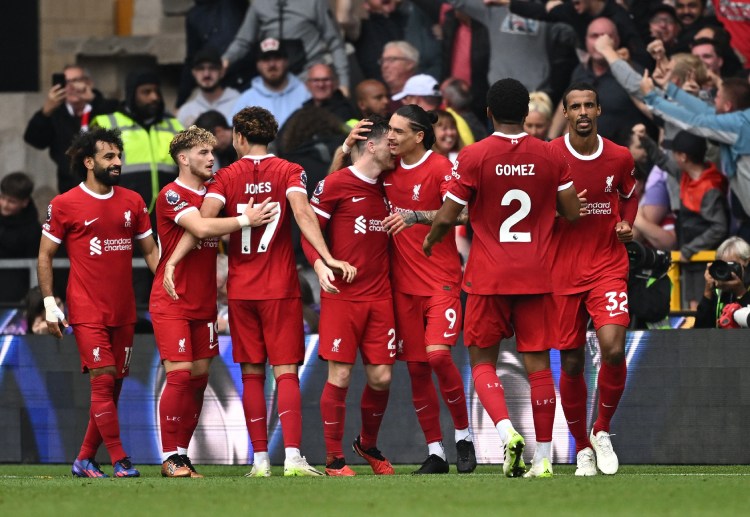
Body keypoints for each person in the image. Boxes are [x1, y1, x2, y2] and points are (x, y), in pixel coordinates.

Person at [163, 106, 355, 477]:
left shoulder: (225, 178)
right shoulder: (289, 171)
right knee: (285, 373)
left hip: (241, 290)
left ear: (237, 137)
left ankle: (261, 461)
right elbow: (302, 214)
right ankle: (295, 459)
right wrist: (326, 256)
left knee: (252, 374)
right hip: (280, 287)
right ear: (273, 135)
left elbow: (202, 222)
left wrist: (173, 259)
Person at [423, 78, 580, 478]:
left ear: (488, 113)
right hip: (537, 275)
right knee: (540, 367)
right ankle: (544, 458)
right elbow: (572, 212)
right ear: (527, 112)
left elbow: (448, 212)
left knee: (481, 362)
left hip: (488, 276)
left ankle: (507, 431)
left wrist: (432, 238)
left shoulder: (474, 156)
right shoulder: (549, 154)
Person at [348, 105, 472, 475]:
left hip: (441, 281)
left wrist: (417, 215)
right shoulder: (386, 169)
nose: (391, 137)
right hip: (402, 288)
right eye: (389, 131)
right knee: (417, 369)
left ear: (419, 136)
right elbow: (342, 184)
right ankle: (435, 452)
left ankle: (464, 438)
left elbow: (465, 213)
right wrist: (344, 150)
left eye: (398, 132)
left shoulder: (440, 169)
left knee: (437, 357)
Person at [151, 126, 277, 477]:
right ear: (183, 158)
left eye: (212, 152)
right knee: (178, 376)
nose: (211, 158)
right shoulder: (172, 195)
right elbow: (202, 228)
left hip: (204, 302)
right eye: (203, 153)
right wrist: (244, 219)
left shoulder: (214, 195)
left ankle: (181, 454)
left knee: (199, 379)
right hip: (172, 299)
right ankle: (168, 457)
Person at [37, 128, 160, 478]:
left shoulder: (133, 201)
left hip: (124, 310)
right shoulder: (63, 204)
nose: (117, 162)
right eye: (109, 156)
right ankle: (122, 459)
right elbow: (45, 255)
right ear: (89, 162)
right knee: (103, 382)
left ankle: (84, 459)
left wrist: (167, 281)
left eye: (119, 156)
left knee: (112, 388)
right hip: (87, 308)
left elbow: (150, 250)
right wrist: (49, 303)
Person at [549, 82, 638, 476]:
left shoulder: (619, 156)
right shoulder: (549, 155)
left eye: (589, 105)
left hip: (607, 265)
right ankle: (581, 446)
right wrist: (558, 211)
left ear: (599, 110)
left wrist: (626, 222)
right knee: (570, 363)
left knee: (613, 349)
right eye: (575, 106)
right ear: (565, 113)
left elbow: (630, 194)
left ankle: (601, 430)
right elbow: (533, 206)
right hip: (561, 270)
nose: (583, 112)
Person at [302, 116, 396, 476]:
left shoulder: (391, 184)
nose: (396, 148)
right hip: (342, 297)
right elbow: (308, 233)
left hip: (381, 296)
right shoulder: (335, 184)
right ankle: (333, 459)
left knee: (381, 379)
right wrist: (321, 264)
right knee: (339, 376)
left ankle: (366, 444)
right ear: (371, 145)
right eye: (391, 141)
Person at [640, 73, 750, 243]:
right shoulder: (741, 118)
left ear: (728, 106)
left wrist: (652, 98)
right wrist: (671, 89)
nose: (713, 100)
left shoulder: (741, 125)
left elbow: (695, 122)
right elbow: (704, 111)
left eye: (717, 96)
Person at [91, 70, 183, 213]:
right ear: (132, 94)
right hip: (122, 211)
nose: (154, 97)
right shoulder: (108, 124)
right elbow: (94, 174)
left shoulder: (174, 126)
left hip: (169, 213)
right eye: (146, 92)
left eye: (157, 92)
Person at [23, 65, 118, 193]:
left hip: (105, 183)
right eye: (66, 82)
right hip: (70, 186)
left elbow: (122, 114)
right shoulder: (57, 114)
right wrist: (45, 112)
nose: (72, 87)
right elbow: (34, 139)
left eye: (77, 81)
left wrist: (94, 100)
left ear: (89, 83)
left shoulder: (102, 108)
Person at [221, 0, 350, 91]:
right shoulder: (260, 4)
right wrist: (225, 61)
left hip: (308, 77)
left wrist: (344, 83)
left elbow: (335, 42)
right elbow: (243, 41)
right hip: (275, 80)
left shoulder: (315, 2)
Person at [230, 38, 311, 129]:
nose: (272, 64)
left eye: (277, 58)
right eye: (266, 59)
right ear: (257, 65)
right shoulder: (246, 100)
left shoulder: (306, 92)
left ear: (286, 62)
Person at [0, 172, 43, 304]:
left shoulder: (32, 229)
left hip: (14, 294)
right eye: (2, 198)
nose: (4, 204)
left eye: (11, 201)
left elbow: (34, 264)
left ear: (24, 203)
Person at [176, 47, 240, 128]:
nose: (206, 74)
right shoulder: (185, 112)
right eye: (201, 68)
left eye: (212, 68)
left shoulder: (239, 104)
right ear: (194, 73)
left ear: (222, 72)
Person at [696, 236, 750, 328]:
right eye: (723, 265)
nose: (727, 271)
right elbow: (700, 329)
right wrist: (708, 291)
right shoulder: (718, 291)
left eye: (731, 265)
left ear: (746, 262)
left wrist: (740, 292)